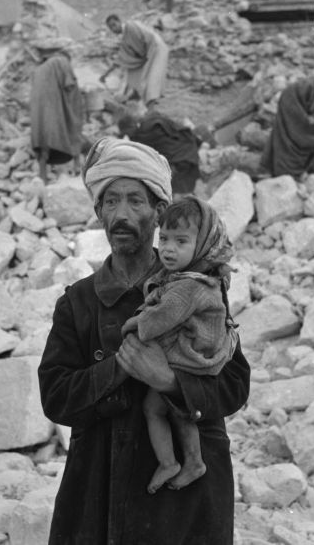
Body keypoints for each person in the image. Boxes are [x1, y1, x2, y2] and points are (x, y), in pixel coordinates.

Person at [38, 137, 250, 545]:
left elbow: (235, 386)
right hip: (100, 492)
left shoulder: (196, 286)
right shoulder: (78, 303)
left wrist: (171, 382)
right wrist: (119, 368)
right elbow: (56, 397)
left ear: (158, 212)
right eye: (111, 201)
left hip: (185, 504)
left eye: (136, 201)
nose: (122, 214)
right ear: (98, 211)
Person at [121, 196, 238, 494]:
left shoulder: (189, 287)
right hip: (190, 360)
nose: (169, 249)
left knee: (159, 409)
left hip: (188, 360)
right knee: (173, 410)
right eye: (165, 238)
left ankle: (176, 462)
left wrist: (133, 325)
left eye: (181, 241)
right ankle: (184, 462)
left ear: (202, 245)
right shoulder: (192, 278)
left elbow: (161, 317)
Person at [30, 51, 84, 183]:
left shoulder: (39, 70)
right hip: (53, 104)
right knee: (73, 123)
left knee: (43, 135)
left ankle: (42, 174)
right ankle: (77, 167)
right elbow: (70, 86)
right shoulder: (61, 61)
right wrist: (78, 106)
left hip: (38, 109)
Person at [118, 111, 201, 195]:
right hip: (187, 152)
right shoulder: (146, 126)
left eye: (127, 132)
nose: (128, 135)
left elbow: (160, 151)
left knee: (170, 189)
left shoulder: (148, 130)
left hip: (181, 158)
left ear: (132, 126)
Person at [101, 15, 169, 109]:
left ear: (119, 21)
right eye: (110, 27)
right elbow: (121, 59)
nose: (113, 29)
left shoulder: (131, 26)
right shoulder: (125, 38)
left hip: (156, 49)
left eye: (114, 25)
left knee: (151, 81)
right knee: (133, 74)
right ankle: (135, 96)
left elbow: (144, 42)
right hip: (148, 53)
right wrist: (105, 74)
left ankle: (151, 110)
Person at [260, 75, 314, 177]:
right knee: (289, 138)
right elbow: (313, 123)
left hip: (306, 99)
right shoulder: (294, 102)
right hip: (294, 102)